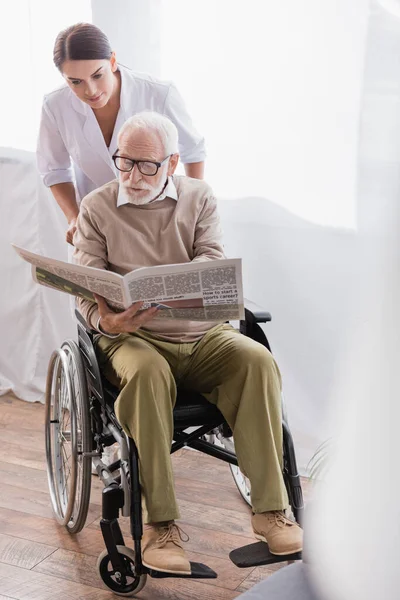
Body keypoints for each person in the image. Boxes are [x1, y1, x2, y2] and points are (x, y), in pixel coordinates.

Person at [73, 111, 303, 575]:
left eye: (147, 165)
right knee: (147, 372)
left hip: (202, 337)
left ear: (173, 162)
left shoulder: (199, 198)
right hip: (133, 340)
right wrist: (109, 320)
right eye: (124, 162)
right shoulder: (96, 208)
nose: (132, 175)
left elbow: (212, 262)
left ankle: (271, 512)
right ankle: (161, 527)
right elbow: (83, 289)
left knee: (256, 360)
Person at [37, 22, 205, 246]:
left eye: (97, 75)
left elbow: (192, 151)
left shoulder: (158, 93)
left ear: (113, 61)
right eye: (75, 82)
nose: (90, 91)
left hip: (159, 221)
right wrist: (74, 218)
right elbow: (54, 170)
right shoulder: (55, 105)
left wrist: (188, 211)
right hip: (96, 226)